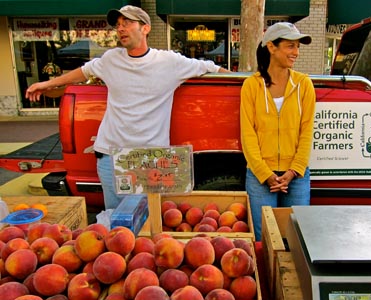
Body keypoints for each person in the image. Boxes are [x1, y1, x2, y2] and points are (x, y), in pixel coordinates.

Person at [26, 5, 230, 210]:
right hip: (111, 155)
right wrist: (46, 84)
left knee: (148, 222)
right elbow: (83, 72)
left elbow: (210, 68)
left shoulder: (169, 61)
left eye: (127, 23)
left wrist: (249, 84)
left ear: (145, 28)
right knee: (116, 222)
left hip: (150, 158)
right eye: (118, 25)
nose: (121, 29)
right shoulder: (111, 59)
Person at [240, 22, 316, 241]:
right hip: (260, 175)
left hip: (297, 176)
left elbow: (306, 132)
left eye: (297, 47)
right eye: (290, 46)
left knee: (297, 238)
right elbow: (248, 135)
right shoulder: (251, 86)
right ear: (271, 47)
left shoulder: (304, 85)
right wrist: (266, 175)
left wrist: (293, 171)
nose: (296, 53)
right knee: (263, 238)